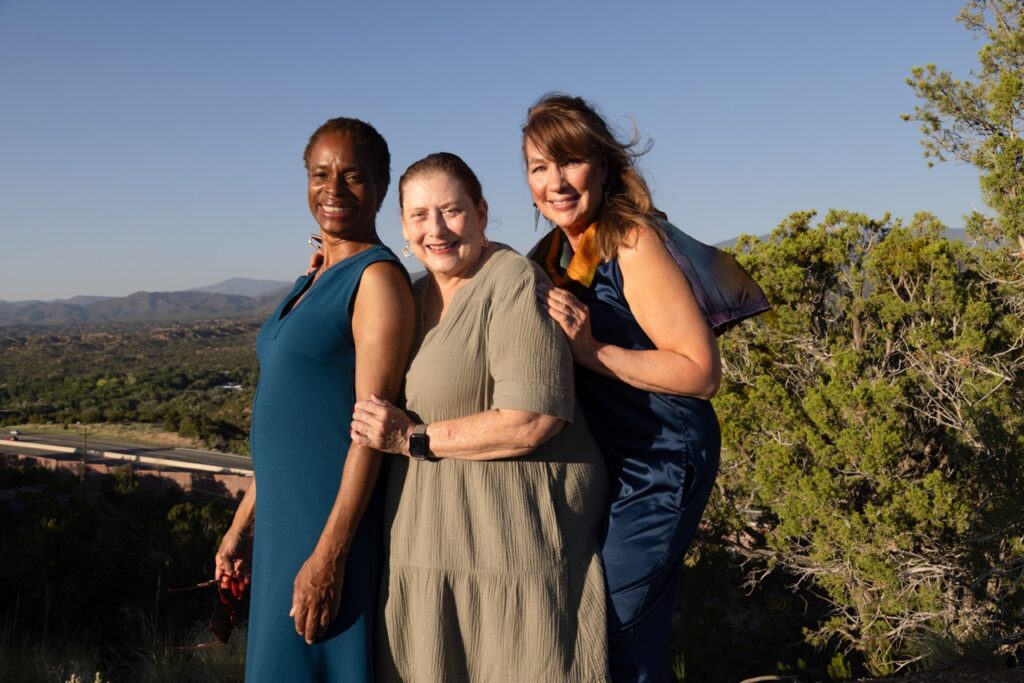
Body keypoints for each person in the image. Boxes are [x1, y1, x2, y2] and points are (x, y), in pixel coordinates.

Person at [523, 94, 769, 682]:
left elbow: (699, 372)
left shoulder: (630, 241)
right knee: (613, 623)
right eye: (538, 167)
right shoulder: (555, 253)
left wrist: (593, 352)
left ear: (603, 166)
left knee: (614, 624)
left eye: (570, 162)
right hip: (610, 458)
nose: (554, 182)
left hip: (660, 453)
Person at [349, 152, 610, 682]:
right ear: (402, 225)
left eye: (452, 211)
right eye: (420, 215)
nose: (436, 229)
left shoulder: (513, 281)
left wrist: (412, 438)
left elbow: (532, 419)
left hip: (508, 551)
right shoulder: (411, 294)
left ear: (482, 212)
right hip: (426, 552)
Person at [214, 117, 415, 682]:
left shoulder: (374, 279)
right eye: (320, 174)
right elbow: (288, 424)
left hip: (327, 523)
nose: (333, 189)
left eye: (353, 176)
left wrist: (331, 555)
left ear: (380, 186)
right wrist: (241, 527)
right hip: (284, 521)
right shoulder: (313, 277)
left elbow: (368, 430)